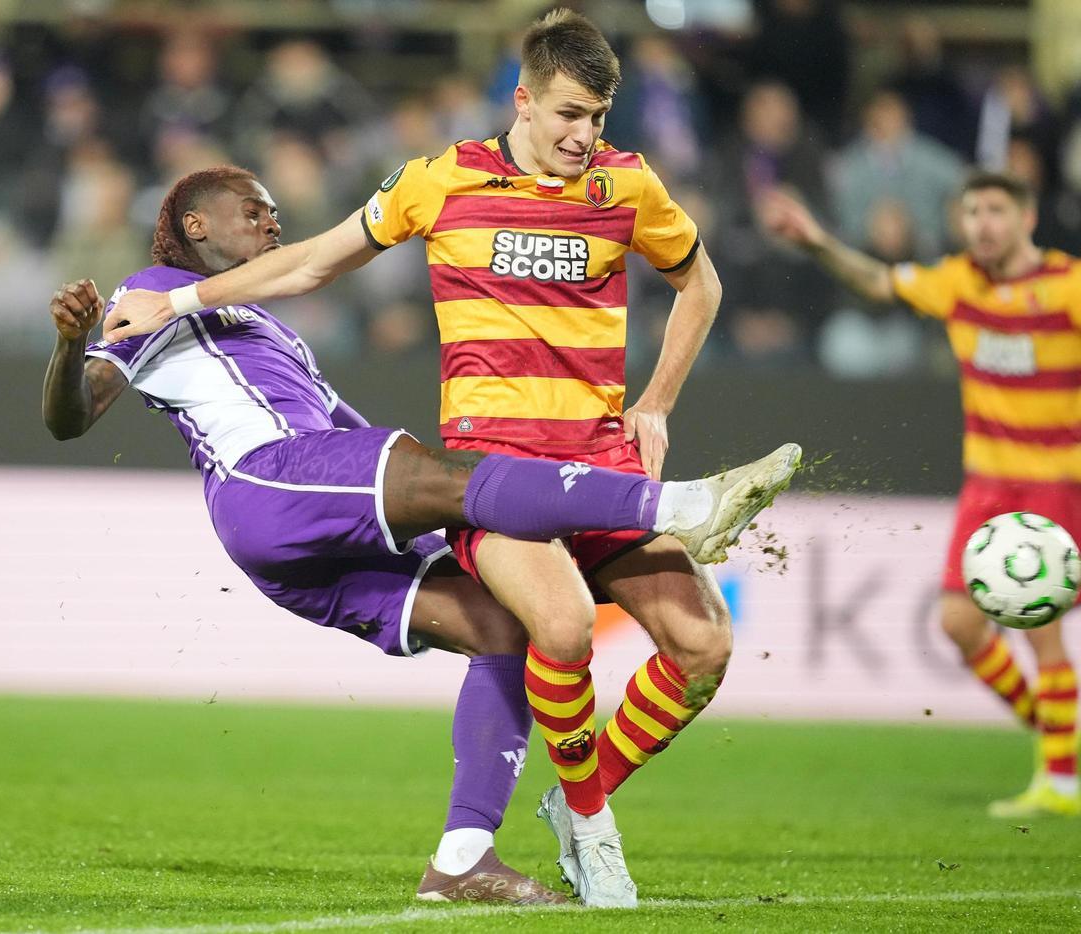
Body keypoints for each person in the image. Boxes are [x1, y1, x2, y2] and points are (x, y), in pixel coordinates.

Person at [101, 10, 802, 907]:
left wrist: (657, 401)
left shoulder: (628, 187)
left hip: (600, 462)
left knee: (703, 644)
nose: (584, 136)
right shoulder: (440, 181)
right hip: (495, 481)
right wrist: (185, 298)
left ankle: (569, 802)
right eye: (568, 115)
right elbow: (313, 262)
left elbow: (698, 282)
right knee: (561, 629)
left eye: (597, 117)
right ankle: (595, 836)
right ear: (522, 99)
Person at [762, 173, 1079, 818]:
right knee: (959, 624)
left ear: (1028, 217)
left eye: (995, 210)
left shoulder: (1067, 285)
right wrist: (820, 241)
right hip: (986, 482)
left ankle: (1063, 782)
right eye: (972, 212)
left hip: (1053, 479)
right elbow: (880, 281)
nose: (982, 224)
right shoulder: (958, 281)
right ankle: (1056, 737)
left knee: (1038, 629)